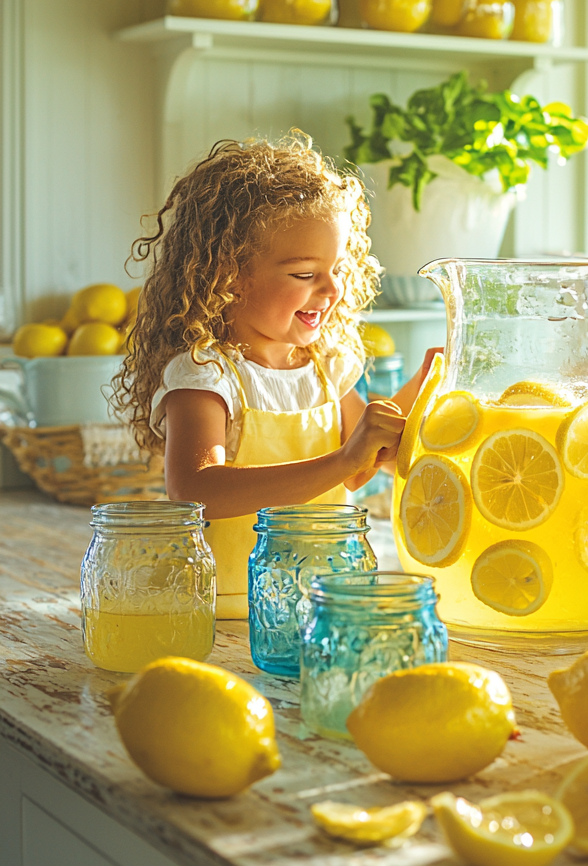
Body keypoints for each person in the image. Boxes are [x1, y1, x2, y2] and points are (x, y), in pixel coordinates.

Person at [115, 135, 437, 619]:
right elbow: (196, 489)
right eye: (306, 274)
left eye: (337, 269)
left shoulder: (329, 366)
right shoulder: (206, 373)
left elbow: (368, 463)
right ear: (229, 276)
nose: (331, 289)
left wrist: (427, 384)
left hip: (325, 601)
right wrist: (343, 459)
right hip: (234, 611)